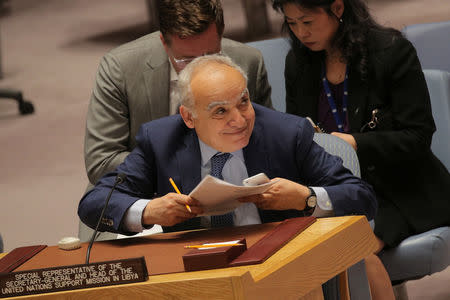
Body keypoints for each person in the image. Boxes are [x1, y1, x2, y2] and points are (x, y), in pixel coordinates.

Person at [78, 54, 376, 237]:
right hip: (197, 271)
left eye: (244, 102)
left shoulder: (286, 132)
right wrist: (147, 212)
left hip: (278, 262)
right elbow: (94, 203)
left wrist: (306, 198)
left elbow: (362, 198)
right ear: (189, 117)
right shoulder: (160, 141)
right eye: (221, 111)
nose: (241, 119)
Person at [271, 0, 450, 298]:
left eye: (307, 21)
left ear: (338, 8)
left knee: (349, 251)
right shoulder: (299, 62)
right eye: (291, 23)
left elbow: (417, 138)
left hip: (399, 190)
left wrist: (354, 143)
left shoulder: (391, 51)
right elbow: (298, 134)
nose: (301, 32)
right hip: (337, 190)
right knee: (300, 257)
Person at [84, 0, 272, 186]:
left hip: (230, 189)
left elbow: (267, 143)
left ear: (221, 36)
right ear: (164, 44)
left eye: (211, 56)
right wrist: (187, 167)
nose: (201, 68)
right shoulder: (120, 69)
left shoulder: (249, 62)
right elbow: (102, 162)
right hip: (147, 195)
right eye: (187, 60)